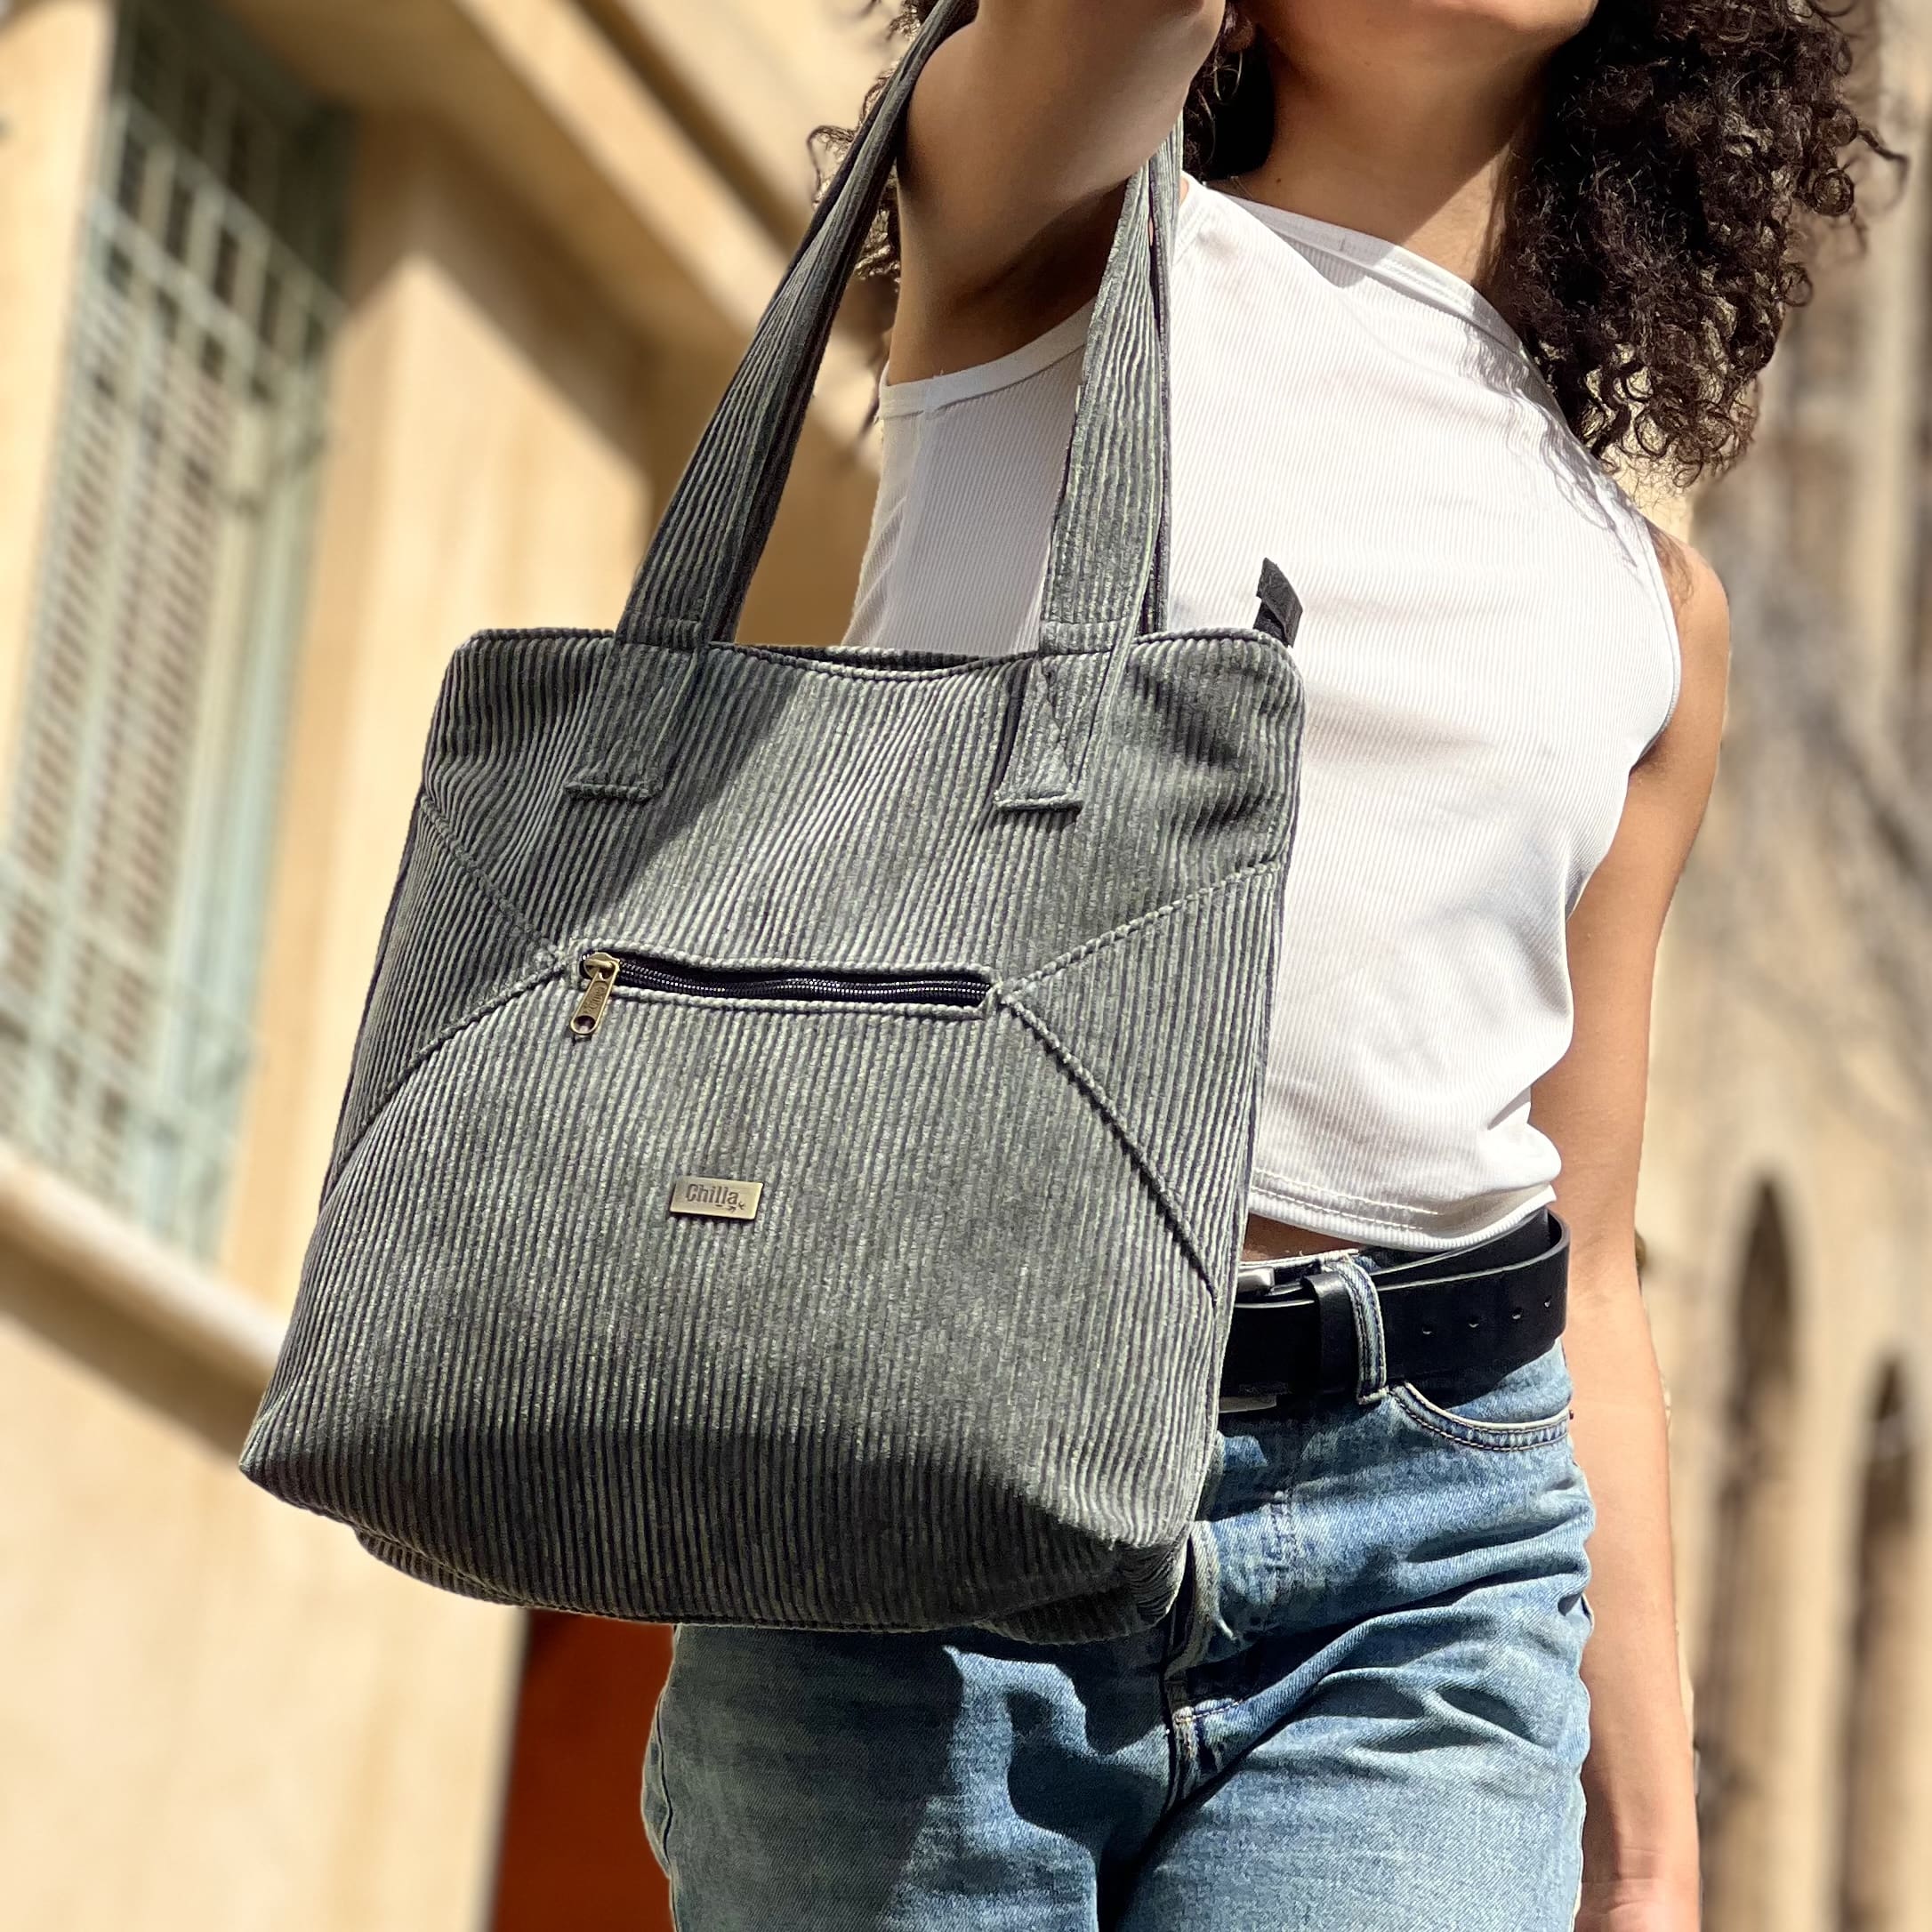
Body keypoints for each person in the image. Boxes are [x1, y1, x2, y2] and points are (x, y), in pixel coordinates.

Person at [640, 4, 1896, 1927]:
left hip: (1426, 1560)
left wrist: (1650, 1849)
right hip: (922, 1470)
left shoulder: (1650, 607)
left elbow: (1589, 1251)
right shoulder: (1044, 221)